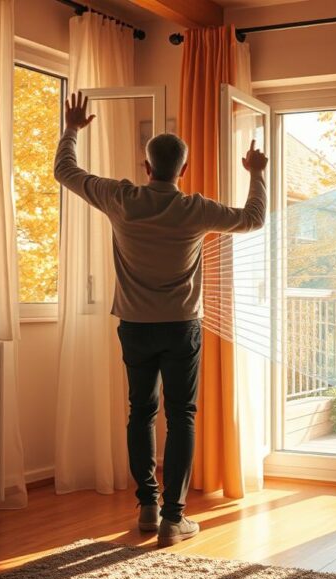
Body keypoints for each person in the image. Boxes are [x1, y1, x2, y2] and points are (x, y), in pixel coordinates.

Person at [54, 91, 268, 547]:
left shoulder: (121, 198)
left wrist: (72, 128)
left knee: (141, 412)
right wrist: (256, 174)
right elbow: (253, 219)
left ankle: (148, 507)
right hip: (181, 326)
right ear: (183, 170)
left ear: (146, 166)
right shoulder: (194, 208)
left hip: (135, 326)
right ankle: (174, 519)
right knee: (181, 415)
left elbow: (65, 171)